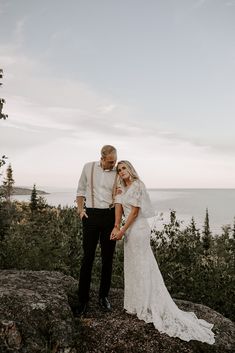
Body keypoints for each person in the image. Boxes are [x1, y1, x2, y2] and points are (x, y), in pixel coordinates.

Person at [110, 160, 215, 344]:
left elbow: (134, 213)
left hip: (138, 229)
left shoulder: (138, 185)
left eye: (124, 168)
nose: (122, 172)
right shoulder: (121, 188)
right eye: (119, 170)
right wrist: (115, 226)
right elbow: (119, 208)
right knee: (133, 265)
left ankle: (146, 304)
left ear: (130, 169)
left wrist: (122, 231)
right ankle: (135, 303)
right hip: (127, 230)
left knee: (143, 264)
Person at [76, 145, 120, 316]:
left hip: (109, 217)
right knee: (87, 258)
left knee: (107, 258)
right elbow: (80, 190)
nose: (113, 164)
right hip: (91, 216)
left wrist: (117, 223)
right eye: (111, 161)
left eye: (115, 161)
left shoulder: (117, 173)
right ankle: (83, 300)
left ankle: (103, 296)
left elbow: (120, 198)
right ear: (102, 158)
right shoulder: (88, 167)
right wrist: (81, 211)